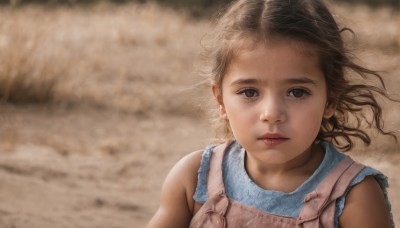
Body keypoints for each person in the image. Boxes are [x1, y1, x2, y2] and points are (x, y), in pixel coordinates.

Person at [147, 0, 397, 227]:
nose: (272, 114)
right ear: (221, 100)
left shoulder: (353, 197)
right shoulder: (193, 179)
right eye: (249, 92)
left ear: (330, 99)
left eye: (297, 92)